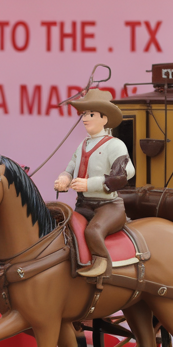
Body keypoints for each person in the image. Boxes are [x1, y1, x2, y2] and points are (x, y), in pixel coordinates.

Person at [53, 89, 134, 278]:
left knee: (93, 231)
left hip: (108, 207)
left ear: (104, 119)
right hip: (84, 206)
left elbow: (125, 173)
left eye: (90, 114)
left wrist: (91, 184)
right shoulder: (82, 145)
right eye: (83, 114)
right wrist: (64, 178)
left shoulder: (115, 145)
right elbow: (71, 167)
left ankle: (102, 264)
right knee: (62, 228)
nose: (84, 119)